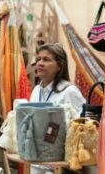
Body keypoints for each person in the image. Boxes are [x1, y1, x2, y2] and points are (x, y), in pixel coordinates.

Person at [29, 44, 85, 174]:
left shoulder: (69, 91)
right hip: (37, 160)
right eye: (39, 59)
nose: (40, 63)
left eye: (46, 59)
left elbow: (80, 128)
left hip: (60, 164)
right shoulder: (36, 90)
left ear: (60, 66)